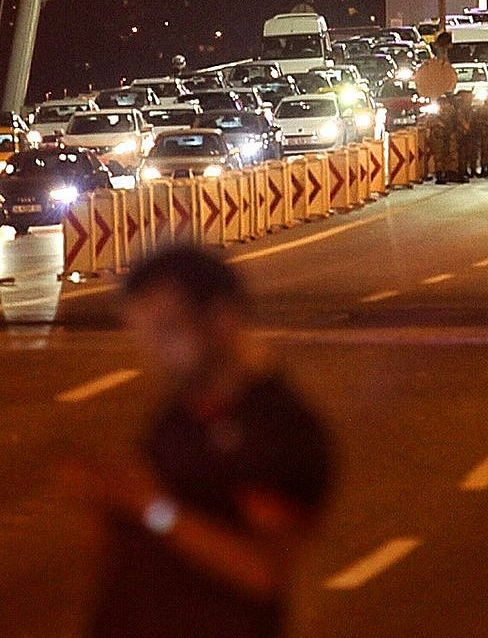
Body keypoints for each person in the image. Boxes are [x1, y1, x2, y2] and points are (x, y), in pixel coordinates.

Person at [63, 247, 332, 638]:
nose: (155, 352)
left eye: (168, 330)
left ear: (222, 319)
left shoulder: (280, 428)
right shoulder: (177, 417)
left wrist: (153, 508)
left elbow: (265, 570)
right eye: (145, 334)